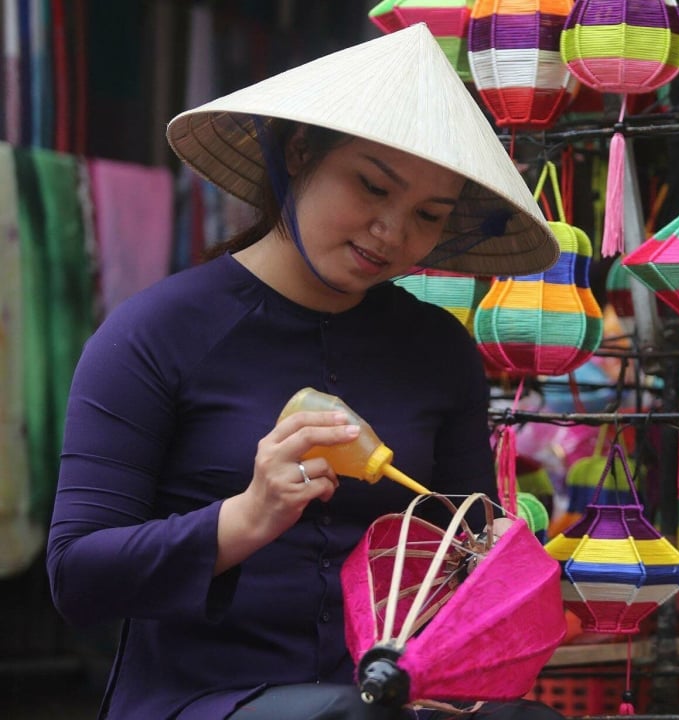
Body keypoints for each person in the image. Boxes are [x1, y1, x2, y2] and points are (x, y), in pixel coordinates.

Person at [46, 24, 565, 720]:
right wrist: (247, 516)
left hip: (397, 696)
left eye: (427, 215)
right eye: (371, 186)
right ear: (298, 153)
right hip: (202, 699)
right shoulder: (154, 332)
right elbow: (77, 577)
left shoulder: (437, 349)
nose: (391, 230)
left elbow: (462, 544)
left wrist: (497, 569)